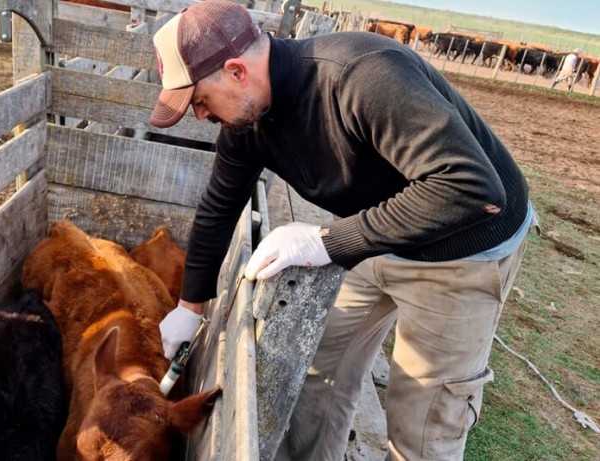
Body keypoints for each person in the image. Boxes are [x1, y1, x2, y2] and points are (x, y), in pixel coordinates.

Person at [149, 1, 534, 460]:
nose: (200, 116)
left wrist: (329, 242)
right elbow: (218, 208)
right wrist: (190, 307)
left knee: (424, 422)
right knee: (317, 371)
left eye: (199, 101)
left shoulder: (362, 76)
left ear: (236, 72)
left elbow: (471, 189)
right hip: (380, 231)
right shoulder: (246, 124)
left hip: (463, 247)